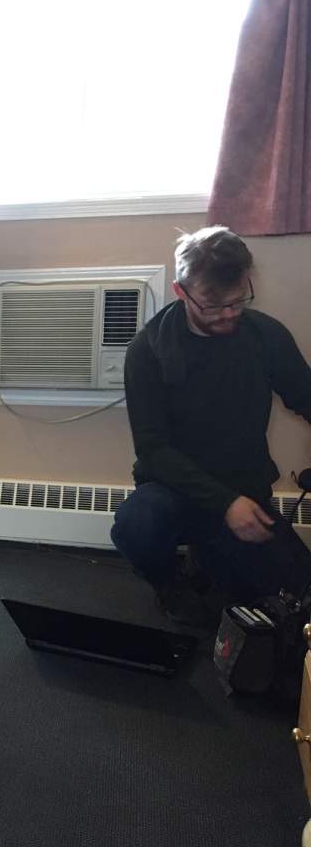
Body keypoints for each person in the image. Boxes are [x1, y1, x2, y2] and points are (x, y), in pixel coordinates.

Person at [111, 225, 311, 626]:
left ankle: (211, 558)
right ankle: (168, 584)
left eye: (238, 302)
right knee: (138, 524)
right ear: (180, 291)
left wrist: (236, 503)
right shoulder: (148, 350)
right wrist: (224, 504)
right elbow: (153, 449)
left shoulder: (266, 336)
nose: (229, 315)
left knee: (298, 596)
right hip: (173, 493)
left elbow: (307, 398)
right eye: (214, 305)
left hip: (246, 493)